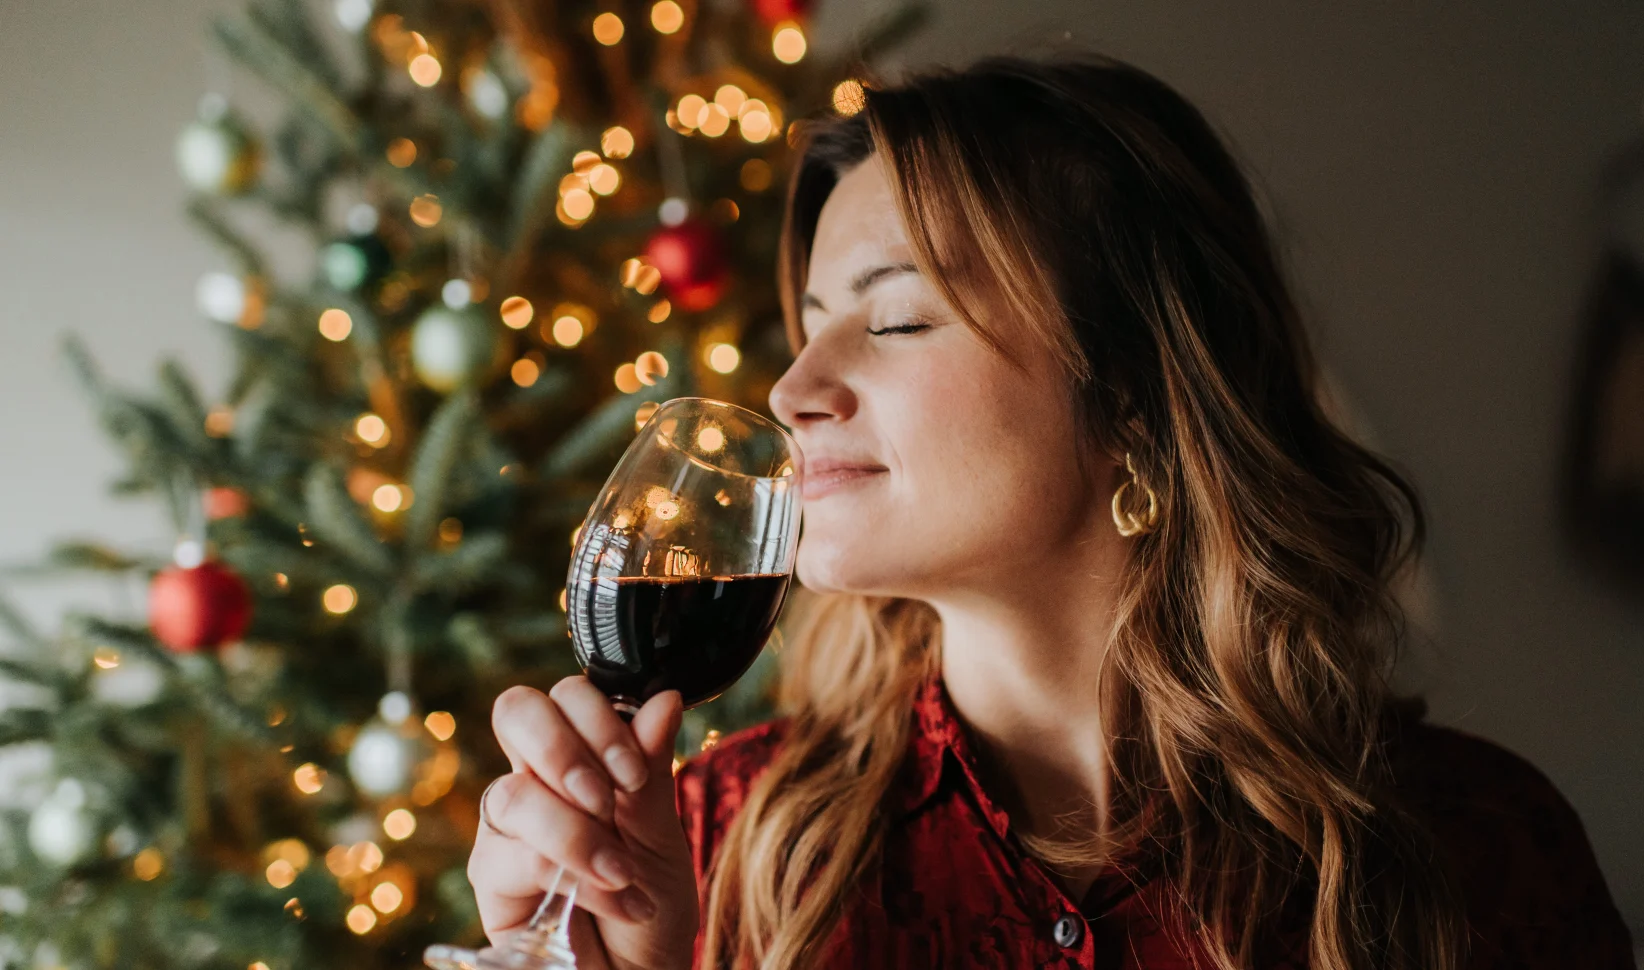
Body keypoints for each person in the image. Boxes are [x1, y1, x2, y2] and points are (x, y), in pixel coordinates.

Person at [467, 53, 1637, 970]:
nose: (791, 392)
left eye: (896, 318)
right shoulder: (722, 842)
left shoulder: (1474, 846)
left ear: (1130, 393)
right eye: (809, 320)